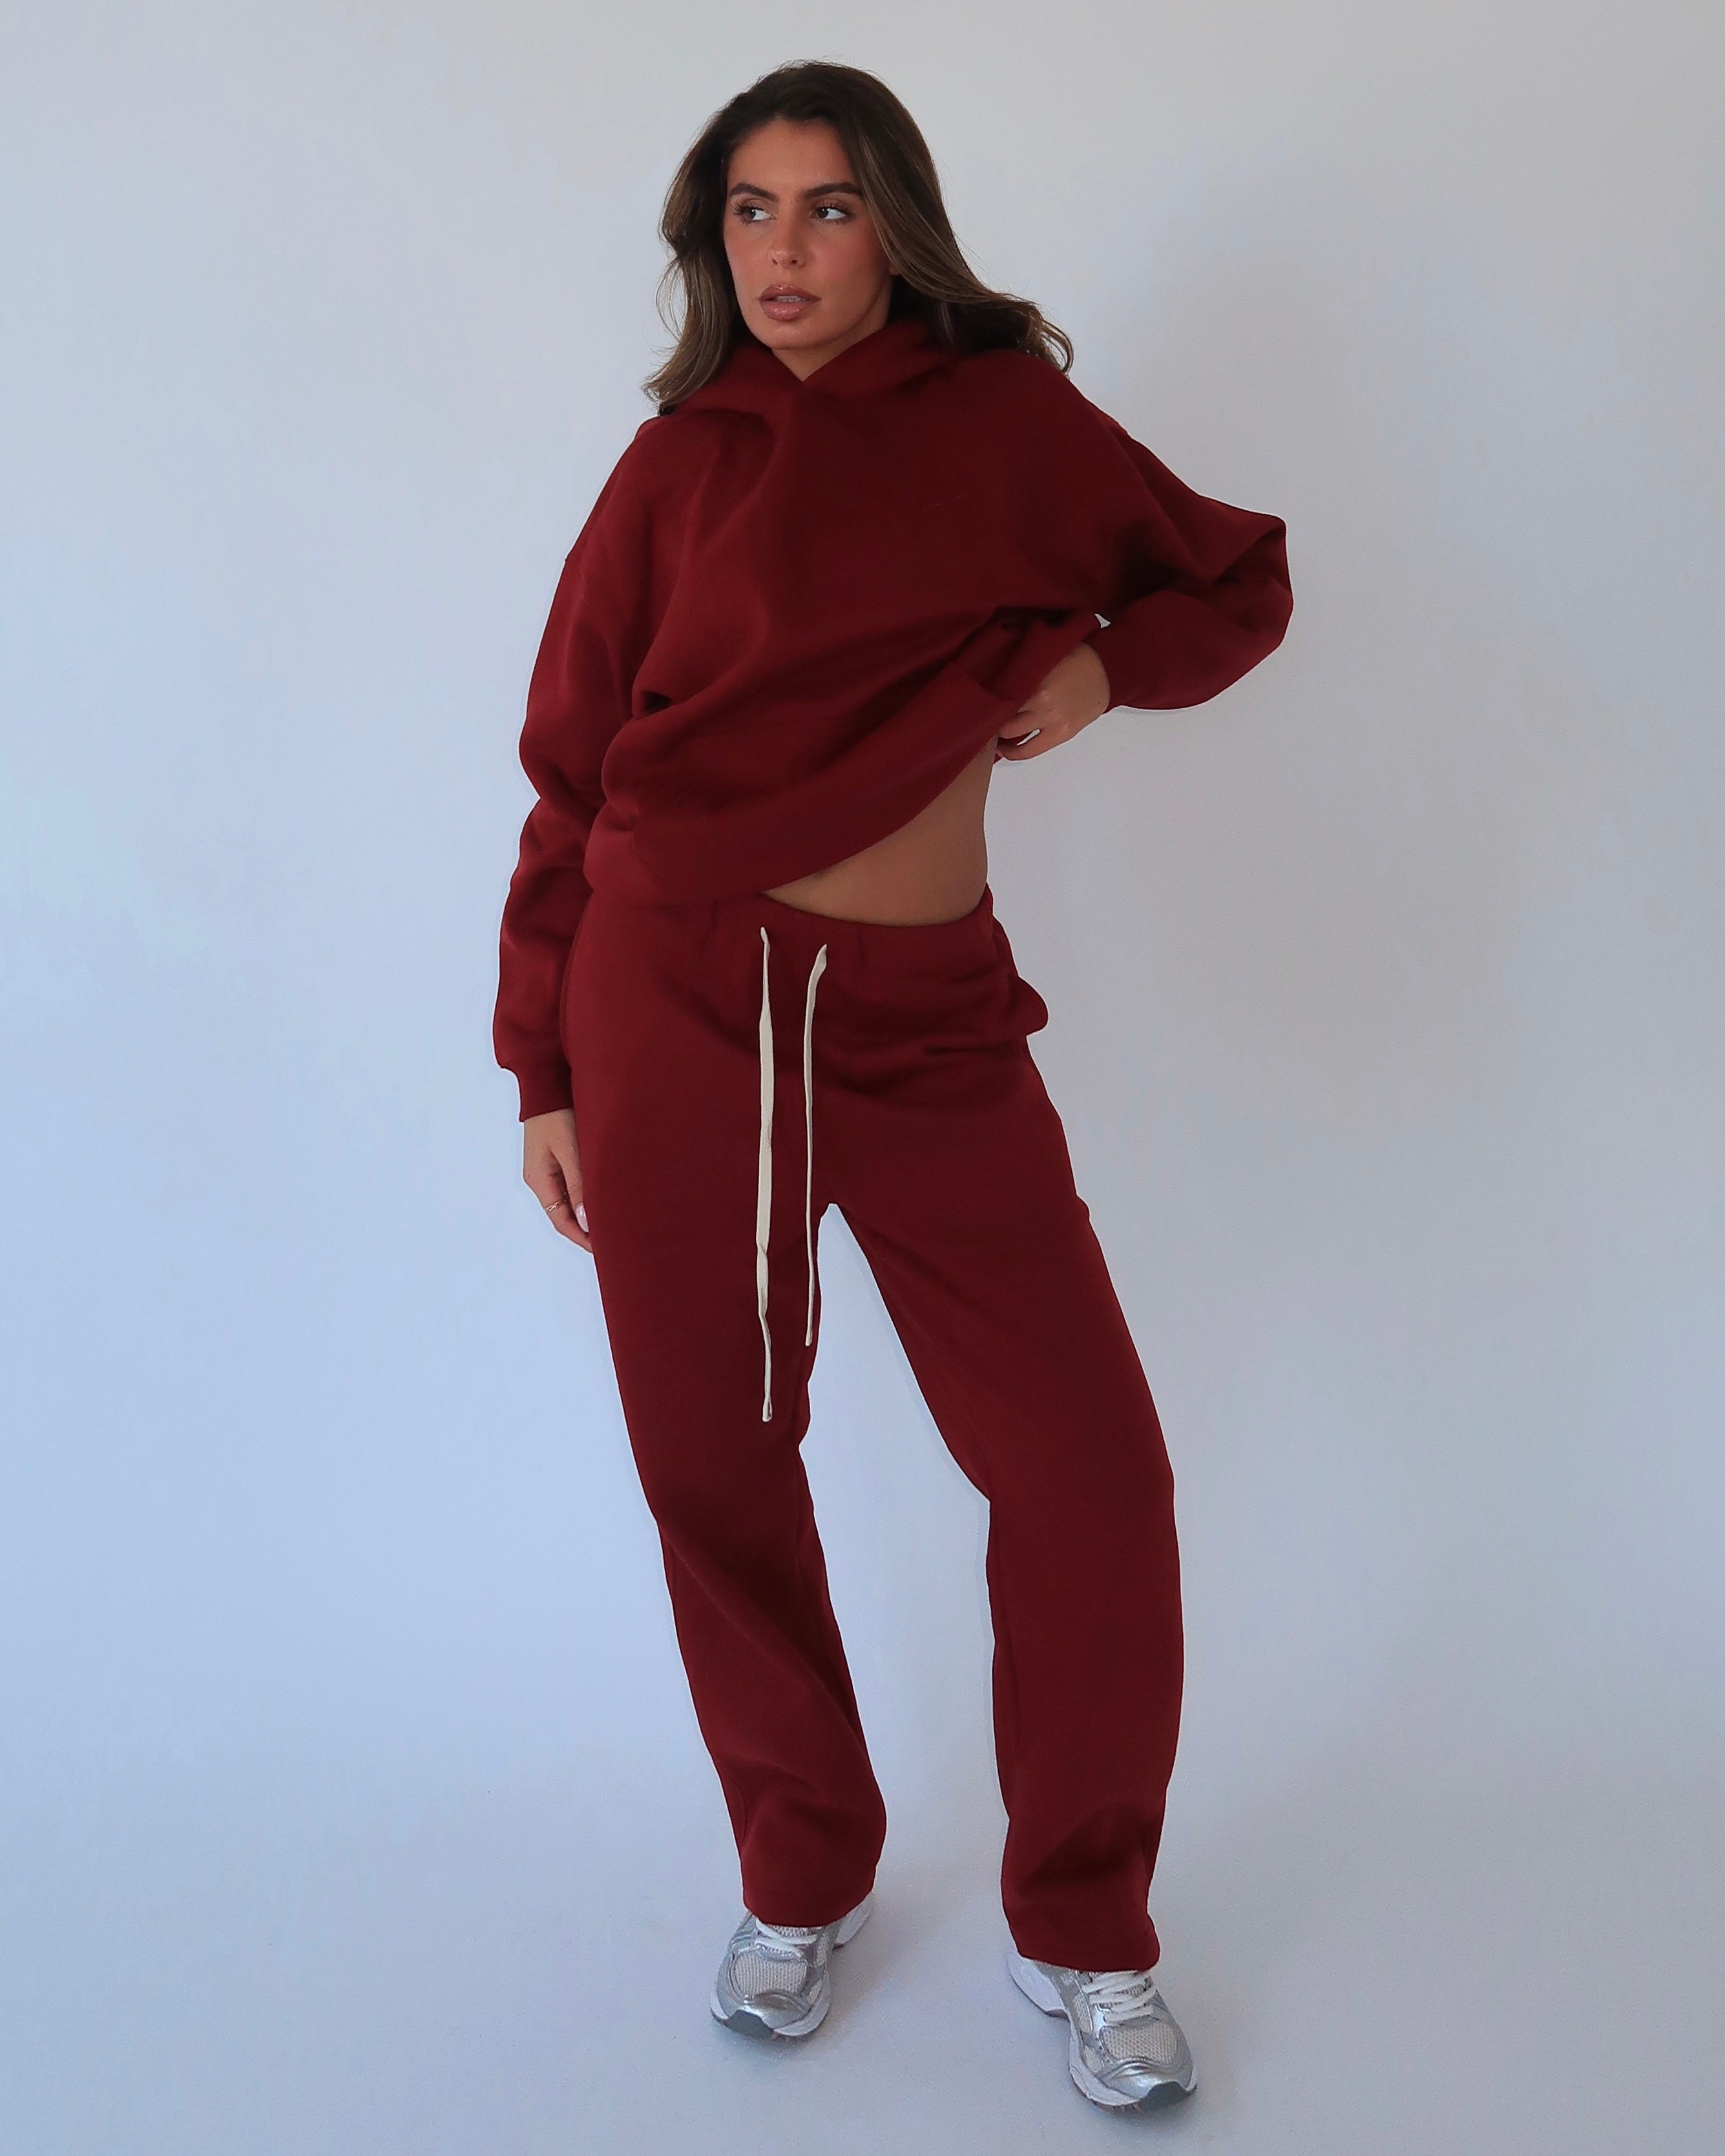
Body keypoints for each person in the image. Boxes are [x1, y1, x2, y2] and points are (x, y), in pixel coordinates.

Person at [492, 60, 1291, 2115]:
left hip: (929, 1026)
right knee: (715, 1461)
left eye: (828, 208)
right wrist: (541, 1059)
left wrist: (1103, 667)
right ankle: (801, 1872)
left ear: (897, 224)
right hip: (674, 1008)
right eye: (748, 212)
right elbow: (573, 774)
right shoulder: (678, 466)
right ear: (712, 238)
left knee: (1092, 1470)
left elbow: (1232, 578)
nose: (784, 252)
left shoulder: (1006, 422)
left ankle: (1087, 1924)